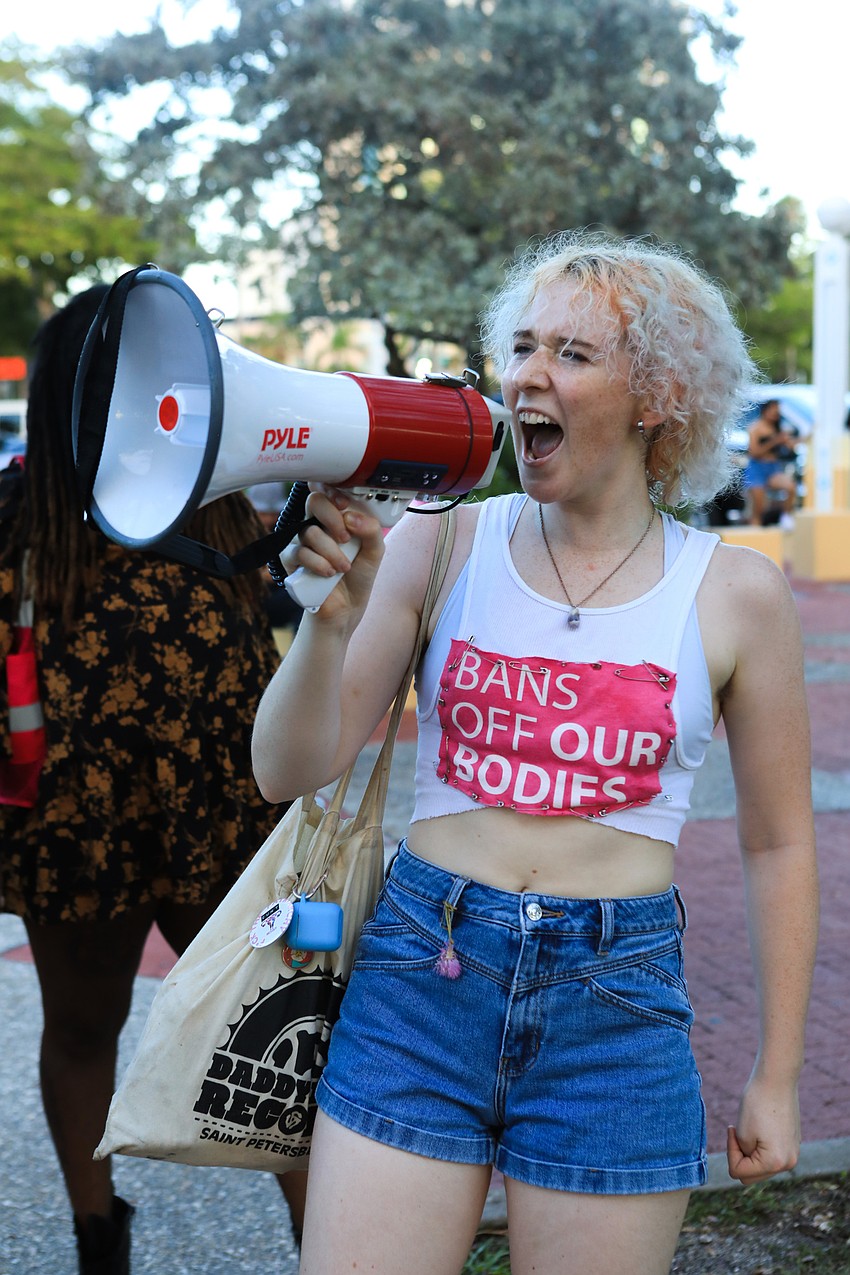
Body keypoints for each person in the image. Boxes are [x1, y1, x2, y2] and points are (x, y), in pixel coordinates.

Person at [252, 232, 819, 1275]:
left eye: (570, 352)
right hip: (421, 979)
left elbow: (781, 845)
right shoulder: (439, 541)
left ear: (656, 395)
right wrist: (325, 622)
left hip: (616, 1011)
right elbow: (287, 770)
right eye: (519, 348)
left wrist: (774, 1076)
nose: (525, 377)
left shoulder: (736, 594)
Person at [0, 286, 306, 1273]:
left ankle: (330, 1242)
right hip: (79, 818)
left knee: (270, 1033)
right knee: (84, 1024)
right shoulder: (21, 512)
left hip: (221, 810)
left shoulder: (219, 498)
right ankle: (100, 1236)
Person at [743, 397, 798, 527]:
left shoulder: (778, 428)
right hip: (757, 469)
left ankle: (786, 515)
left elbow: (790, 447)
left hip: (773, 468)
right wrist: (774, 441)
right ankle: (756, 532)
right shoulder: (755, 428)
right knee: (759, 509)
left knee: (790, 487)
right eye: (773, 411)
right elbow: (754, 452)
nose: (775, 414)